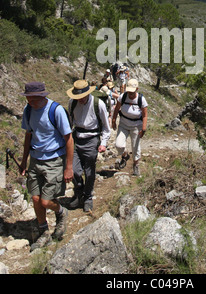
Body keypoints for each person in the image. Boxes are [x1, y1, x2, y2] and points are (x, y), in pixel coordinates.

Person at [19, 81, 74, 251]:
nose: (30, 102)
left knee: (46, 200)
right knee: (35, 198)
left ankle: (60, 212)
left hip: (54, 159)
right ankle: (44, 233)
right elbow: (28, 136)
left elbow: (69, 139)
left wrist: (68, 167)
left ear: (41, 96)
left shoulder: (55, 110)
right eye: (28, 99)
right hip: (35, 159)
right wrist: (23, 161)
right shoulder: (28, 111)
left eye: (32, 99)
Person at [67, 80, 110, 212]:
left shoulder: (99, 104)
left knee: (90, 172)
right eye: (77, 97)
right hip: (76, 138)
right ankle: (79, 192)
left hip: (92, 139)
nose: (79, 99)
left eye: (81, 97)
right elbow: (69, 123)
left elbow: (106, 128)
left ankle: (87, 197)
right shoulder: (72, 102)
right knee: (73, 170)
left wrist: (103, 143)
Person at [112, 79, 147, 177]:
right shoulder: (122, 97)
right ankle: (125, 155)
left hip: (136, 126)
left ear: (137, 89)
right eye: (129, 91)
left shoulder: (141, 99)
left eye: (132, 92)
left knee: (135, 147)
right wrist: (114, 120)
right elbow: (117, 109)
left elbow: (144, 115)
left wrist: (143, 128)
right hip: (123, 124)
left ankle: (136, 165)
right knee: (119, 145)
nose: (130, 94)